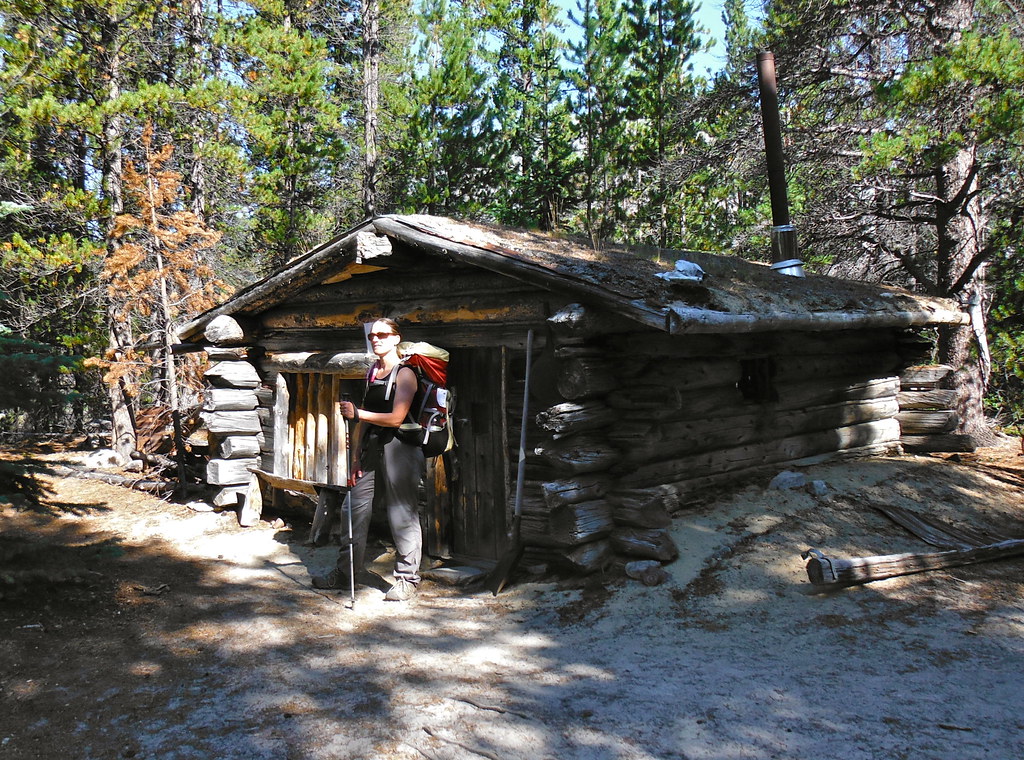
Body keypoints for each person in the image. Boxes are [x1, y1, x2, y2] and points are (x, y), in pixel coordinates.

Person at [312, 318, 426, 602]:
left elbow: (396, 418)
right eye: (372, 335)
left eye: (383, 334)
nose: (376, 339)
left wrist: (358, 414)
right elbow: (362, 418)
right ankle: (346, 572)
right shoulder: (372, 372)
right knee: (352, 509)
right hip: (371, 448)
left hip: (400, 448)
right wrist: (354, 457)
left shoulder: (405, 374)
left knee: (402, 513)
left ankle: (407, 579)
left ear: (396, 338)